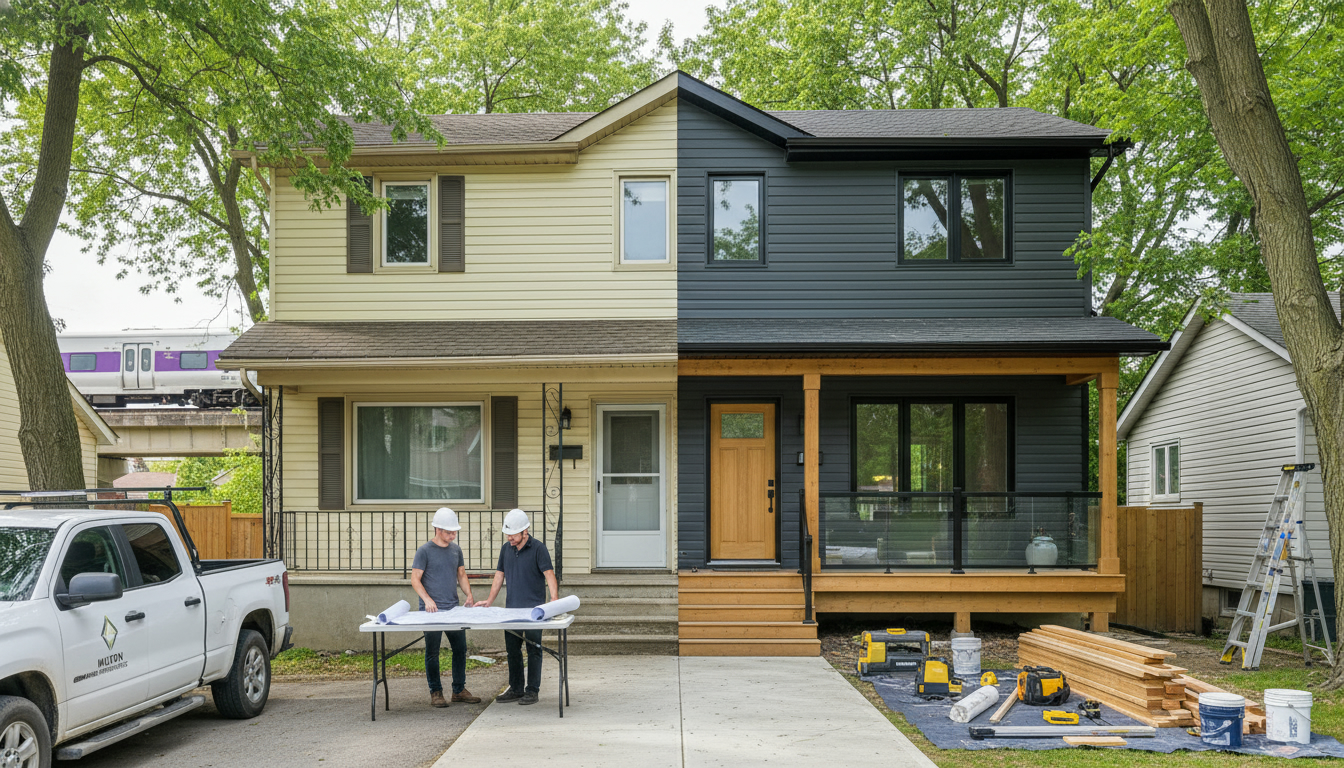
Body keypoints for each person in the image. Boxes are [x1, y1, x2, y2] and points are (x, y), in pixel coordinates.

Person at [479, 508, 558, 706]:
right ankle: (515, 689)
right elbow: (499, 575)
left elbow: (549, 574)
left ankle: (532, 690)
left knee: (534, 650)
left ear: (525, 531)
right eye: (507, 534)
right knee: (512, 650)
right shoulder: (506, 549)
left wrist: (554, 599)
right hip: (511, 610)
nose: (509, 538)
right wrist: (489, 601)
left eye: (512, 535)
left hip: (534, 612)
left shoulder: (539, 549)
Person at [411, 507, 480, 708]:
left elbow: (461, 575)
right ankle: (436, 692)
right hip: (431, 611)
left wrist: (469, 594)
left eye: (454, 532)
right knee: (432, 651)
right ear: (437, 529)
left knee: (460, 648)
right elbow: (415, 579)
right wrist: (427, 599)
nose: (453, 535)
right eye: (449, 532)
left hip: (453, 609)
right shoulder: (424, 551)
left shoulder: (456, 550)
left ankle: (458, 690)